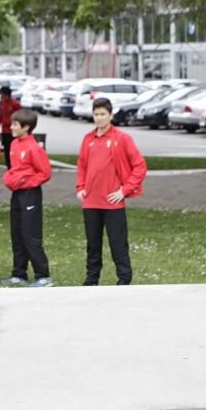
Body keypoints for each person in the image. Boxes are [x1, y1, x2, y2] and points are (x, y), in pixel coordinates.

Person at [75, 98, 147, 285]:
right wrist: (80, 187)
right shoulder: (88, 139)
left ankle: (124, 278)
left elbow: (139, 166)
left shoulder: (121, 139)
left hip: (113, 203)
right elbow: (82, 165)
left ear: (111, 115)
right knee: (93, 245)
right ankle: (92, 279)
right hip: (91, 202)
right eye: (96, 114)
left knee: (118, 244)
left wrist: (124, 190)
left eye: (102, 114)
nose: (99, 118)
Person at [1, 108, 53, 287]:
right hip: (17, 193)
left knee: (30, 235)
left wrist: (25, 181)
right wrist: (11, 178)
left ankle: (43, 275)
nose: (12, 127)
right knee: (17, 233)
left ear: (26, 127)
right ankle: (19, 273)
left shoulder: (34, 147)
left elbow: (45, 173)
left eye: (15, 125)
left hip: (30, 194)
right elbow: (16, 169)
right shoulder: (15, 144)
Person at [0, 85, 21, 169]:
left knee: (14, 149)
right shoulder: (1, 103)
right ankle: (9, 167)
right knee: (6, 149)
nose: (1, 96)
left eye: (2, 94)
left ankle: (15, 166)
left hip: (13, 131)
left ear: (6, 94)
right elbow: (1, 114)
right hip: (5, 130)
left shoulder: (15, 104)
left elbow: (20, 116)